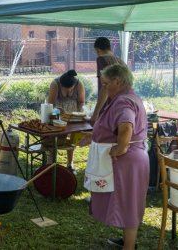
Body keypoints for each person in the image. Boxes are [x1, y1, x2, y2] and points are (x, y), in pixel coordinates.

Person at [88, 64, 148, 250]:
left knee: (128, 203)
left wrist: (120, 148)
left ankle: (129, 247)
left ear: (118, 82)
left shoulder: (123, 102)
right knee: (126, 202)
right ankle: (128, 242)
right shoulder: (125, 97)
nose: (104, 87)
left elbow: (126, 125)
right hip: (132, 159)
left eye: (106, 84)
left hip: (127, 161)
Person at [47, 69, 85, 173]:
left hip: (73, 115)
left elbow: (81, 101)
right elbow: (50, 104)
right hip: (58, 114)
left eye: (70, 89)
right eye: (65, 88)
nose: (68, 91)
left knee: (72, 140)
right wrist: (59, 113)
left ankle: (70, 163)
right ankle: (50, 164)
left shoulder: (79, 84)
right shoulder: (55, 84)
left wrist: (77, 114)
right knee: (54, 138)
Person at [90, 37, 126, 123]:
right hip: (122, 104)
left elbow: (105, 87)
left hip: (109, 106)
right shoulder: (120, 61)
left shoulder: (101, 59)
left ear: (98, 50)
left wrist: (96, 113)